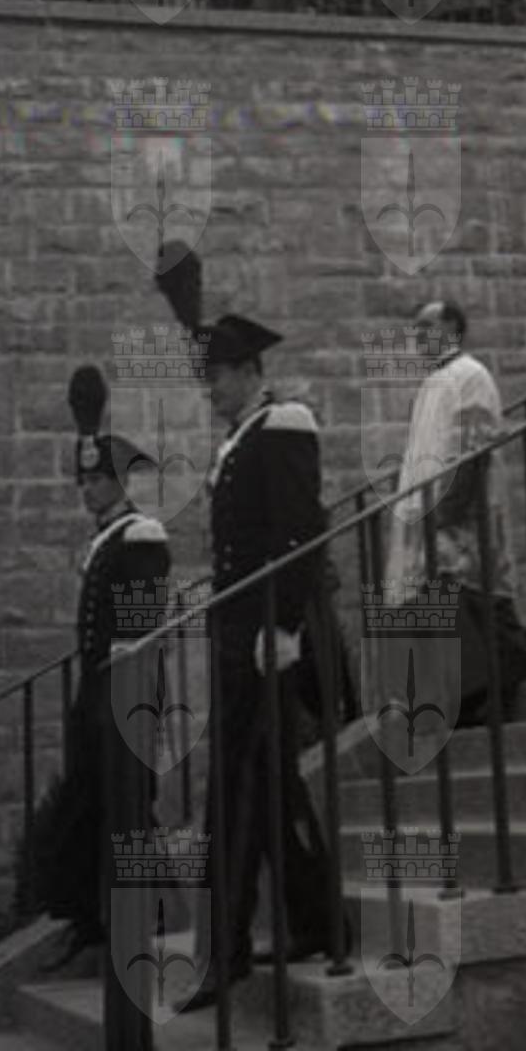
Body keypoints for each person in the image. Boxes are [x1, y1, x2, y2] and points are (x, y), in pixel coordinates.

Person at [180, 310, 345, 1003]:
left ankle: (227, 950)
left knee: (238, 787)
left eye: (218, 375)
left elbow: (298, 532)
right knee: (271, 782)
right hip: (238, 629)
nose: (210, 388)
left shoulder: (282, 426)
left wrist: (281, 626)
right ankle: (318, 917)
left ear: (251, 372)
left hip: (260, 636)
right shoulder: (243, 436)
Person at [35, 366, 169, 973]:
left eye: (97, 480)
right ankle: (93, 919)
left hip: (126, 689)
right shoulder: (105, 537)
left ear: (119, 482)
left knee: (128, 802)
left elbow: (139, 623)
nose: (88, 490)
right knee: (92, 800)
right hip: (96, 689)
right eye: (84, 480)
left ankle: (145, 916)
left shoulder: (140, 534)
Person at [382, 301, 526, 723]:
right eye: (415, 328)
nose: (418, 335)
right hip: (432, 512)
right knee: (451, 602)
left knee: (474, 597)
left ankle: (498, 685)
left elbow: (473, 444)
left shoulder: (470, 375)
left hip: (459, 513)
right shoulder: (433, 383)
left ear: (452, 327)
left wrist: (448, 508)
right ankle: (466, 695)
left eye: (426, 326)